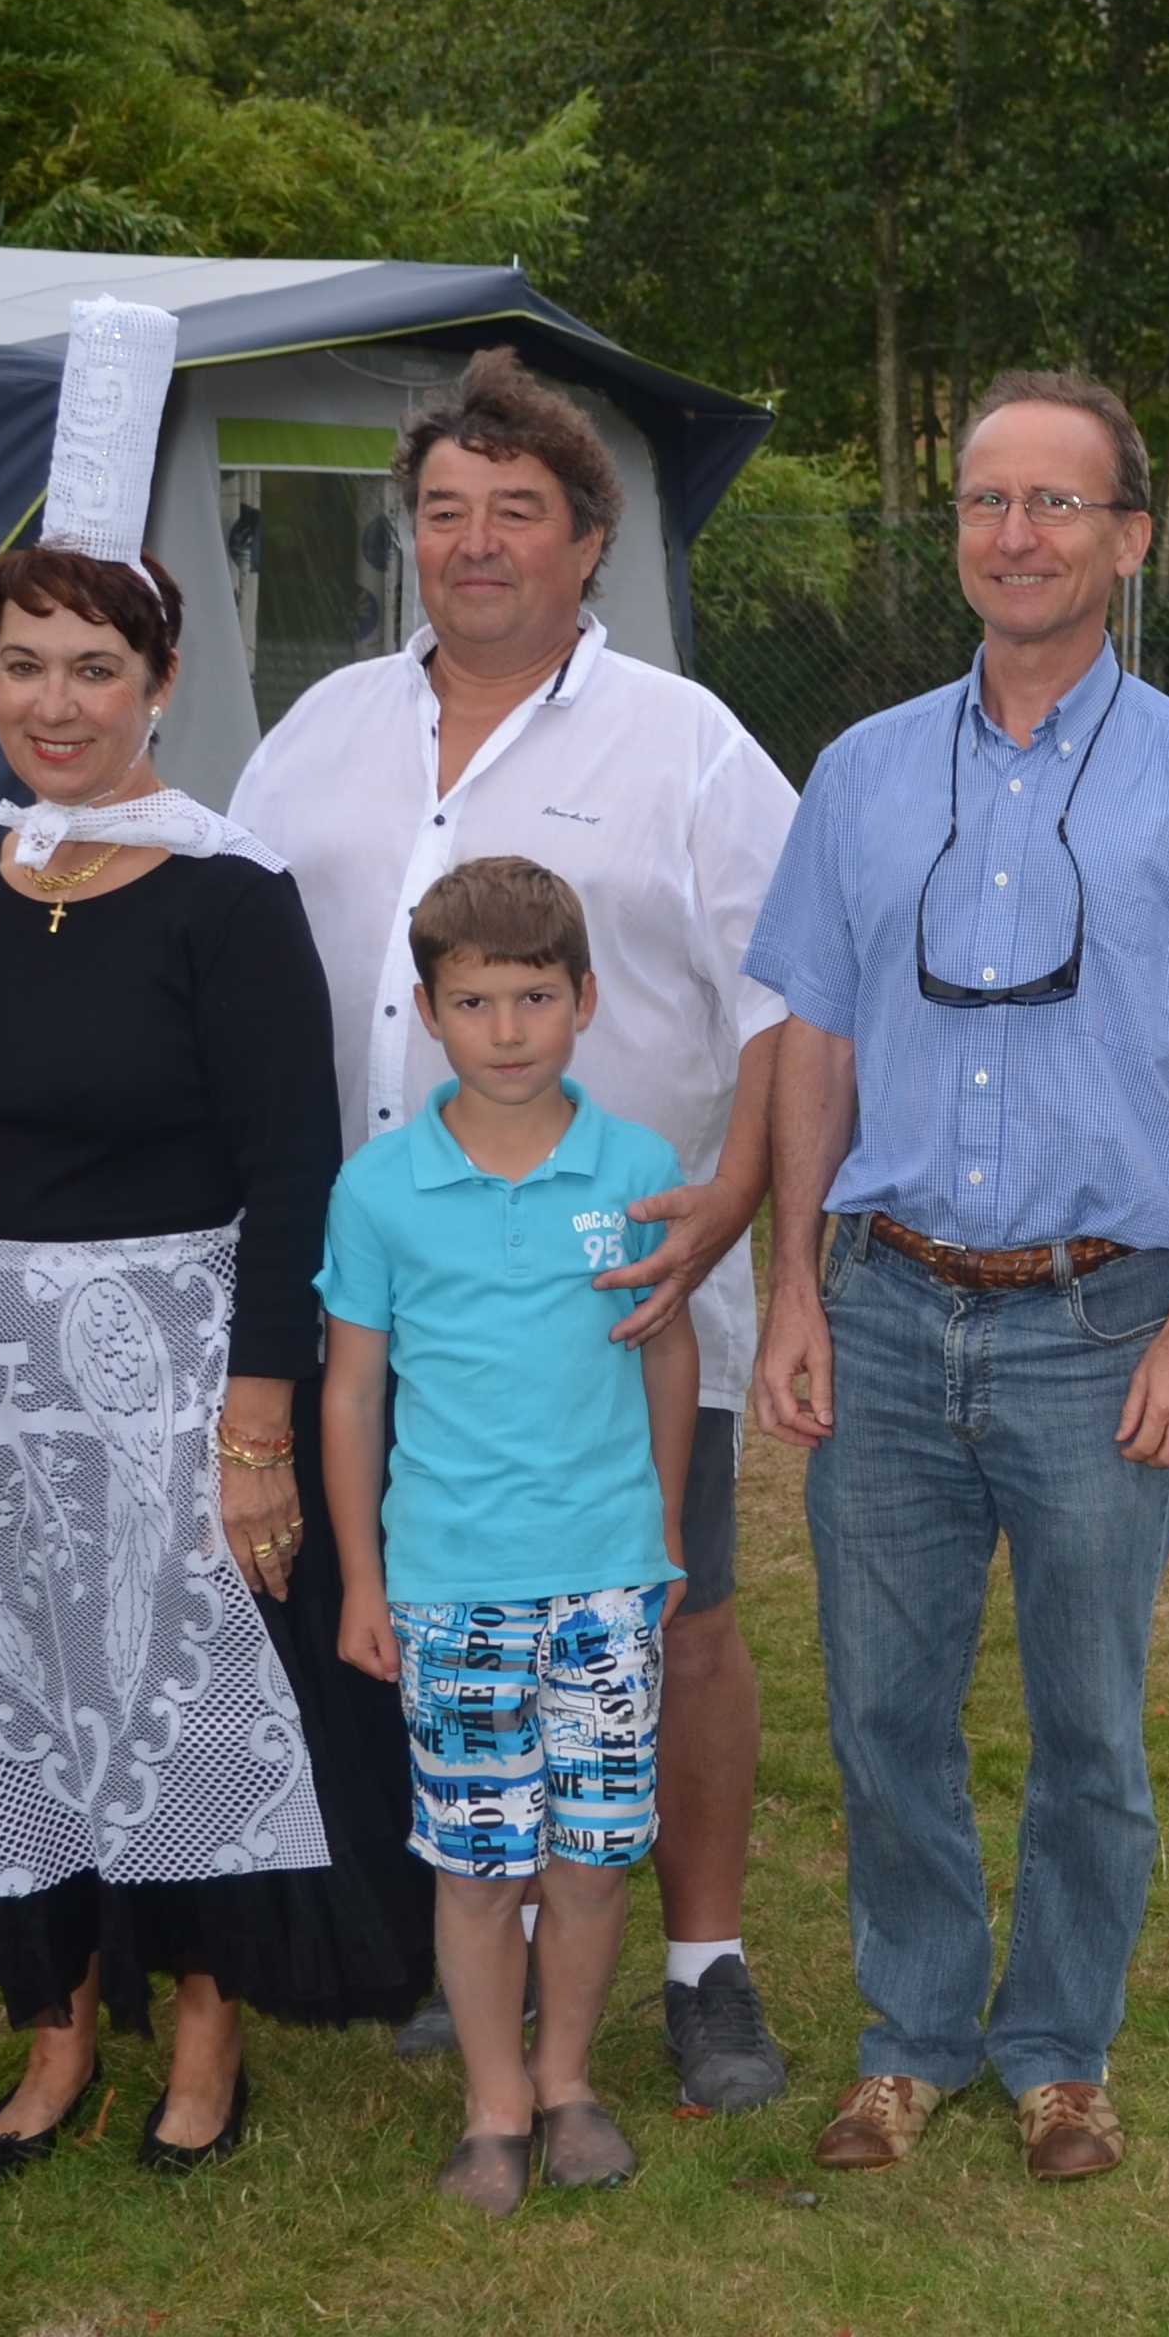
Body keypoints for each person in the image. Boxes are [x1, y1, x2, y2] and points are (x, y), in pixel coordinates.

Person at [742, 367, 1169, 2184]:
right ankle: (914, 2037)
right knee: (879, 1708)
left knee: (1091, 1720)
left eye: (1058, 504)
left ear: (1130, 541)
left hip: (1105, 1325)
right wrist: (794, 1288)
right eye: (986, 502)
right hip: (890, 1299)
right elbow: (816, 1044)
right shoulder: (860, 772)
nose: (1017, 534)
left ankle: (1061, 2051)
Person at [0, 510, 431, 2178]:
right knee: (16, 1699)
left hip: (175, 1387)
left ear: (161, 685)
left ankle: (208, 2030)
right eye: (24, 666)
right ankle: (56, 2025)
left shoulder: (230, 903)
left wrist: (253, 1445)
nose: (57, 703)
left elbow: (290, 1174)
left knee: (182, 1705)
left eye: (96, 668)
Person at [230, 350, 803, 2112]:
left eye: (517, 515)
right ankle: (466, 1924)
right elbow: (240, 978)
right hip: (396, 1296)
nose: (475, 546)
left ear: (588, 543)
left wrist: (730, 1206)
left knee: (671, 1618)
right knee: (439, 1609)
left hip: (616, 1288)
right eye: (445, 513)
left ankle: (699, 1966)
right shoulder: (317, 733)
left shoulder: (686, 743)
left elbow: (794, 995)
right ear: (411, 537)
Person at [323, 857, 699, 2211]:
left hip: (603, 1579)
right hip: (451, 1586)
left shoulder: (639, 1172)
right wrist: (364, 1578)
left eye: (535, 996)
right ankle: (491, 2103)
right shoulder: (378, 1192)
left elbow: (667, 1359)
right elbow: (354, 1389)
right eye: (474, 1001)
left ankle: (568, 2081)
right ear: (428, 1013)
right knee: (482, 1859)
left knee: (595, 1850)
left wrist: (655, 1532)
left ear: (585, 999)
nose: (508, 1030)